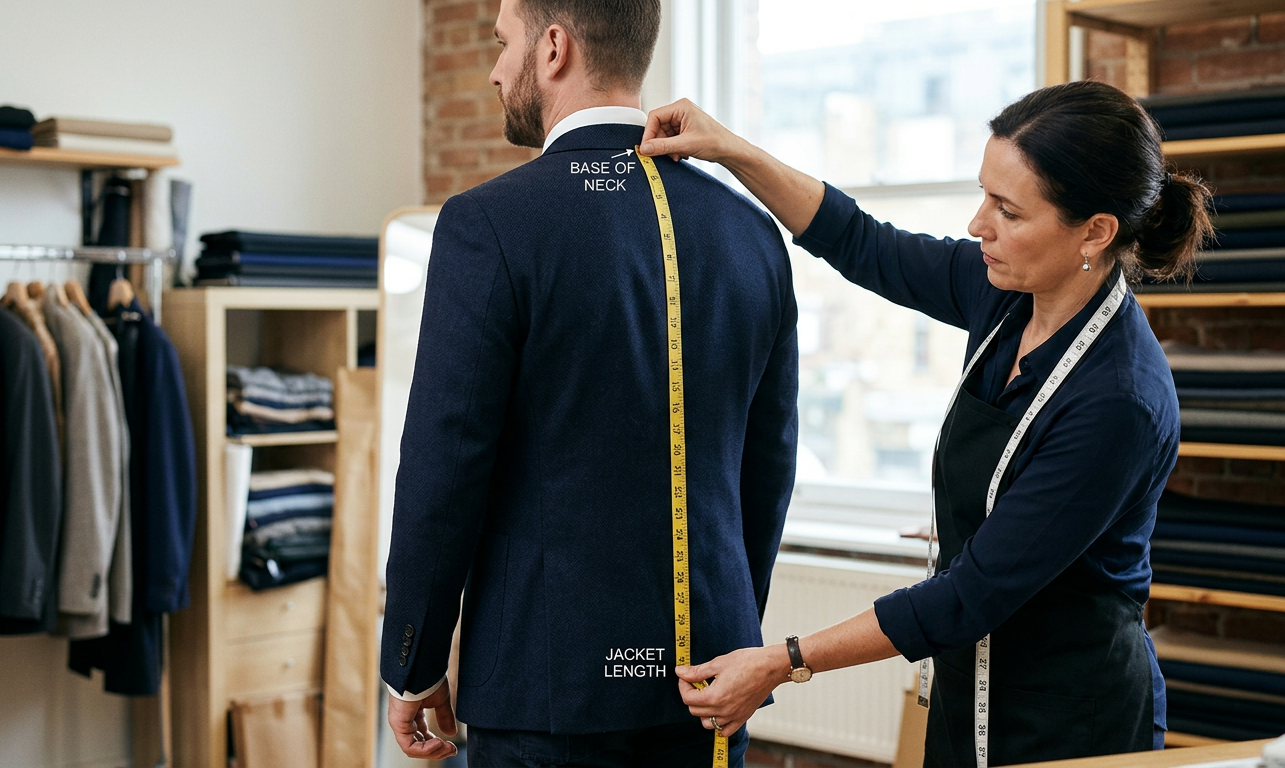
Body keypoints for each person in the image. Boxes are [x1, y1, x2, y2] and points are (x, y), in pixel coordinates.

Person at [638, 80, 1212, 766]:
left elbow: (971, 595)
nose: (978, 225)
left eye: (1008, 210)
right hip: (971, 681)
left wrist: (780, 661)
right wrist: (728, 149)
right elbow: (859, 241)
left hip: (1072, 713)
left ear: (1095, 231)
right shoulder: (1004, 295)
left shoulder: (1120, 400)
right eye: (983, 195)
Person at [380, 0, 799, 764]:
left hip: (547, 693)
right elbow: (767, 467)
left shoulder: (490, 224)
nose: (494, 69)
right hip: (712, 682)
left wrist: (413, 659)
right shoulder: (752, 232)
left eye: (503, 44)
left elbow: (445, 467)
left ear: (553, 48)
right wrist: (723, 628)